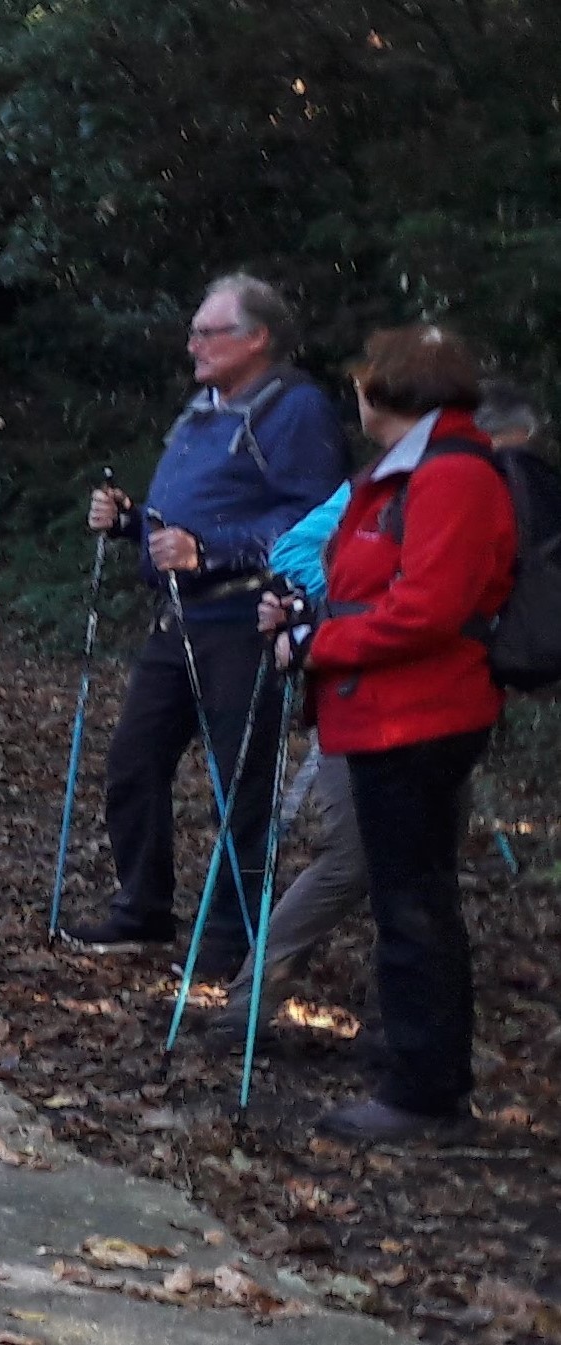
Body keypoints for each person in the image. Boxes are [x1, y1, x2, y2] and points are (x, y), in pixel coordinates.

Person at [211, 380, 542, 1039]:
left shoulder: (490, 491)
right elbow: (298, 551)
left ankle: (401, 1028)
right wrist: (328, 619)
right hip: (361, 689)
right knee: (353, 855)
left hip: (440, 704)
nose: (493, 467)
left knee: (425, 864)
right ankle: (249, 1001)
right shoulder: (393, 485)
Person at [269, 327, 515, 1142]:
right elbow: (372, 588)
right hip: (387, 711)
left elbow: (427, 610)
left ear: (388, 394)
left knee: (414, 901)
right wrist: (312, 622)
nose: (356, 399)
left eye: (364, 386)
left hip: (419, 716)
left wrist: (315, 642)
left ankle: (423, 1089)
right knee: (410, 895)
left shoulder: (449, 476)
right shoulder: (409, 473)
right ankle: (418, 1068)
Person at [65, 274, 350, 976]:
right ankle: (143, 907)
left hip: (245, 619)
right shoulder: (202, 407)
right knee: (133, 761)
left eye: (207, 332)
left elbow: (312, 520)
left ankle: (229, 935)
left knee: (238, 784)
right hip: (180, 615)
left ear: (256, 338)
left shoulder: (296, 410)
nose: (191, 343)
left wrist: (210, 550)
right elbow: (184, 519)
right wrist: (135, 523)